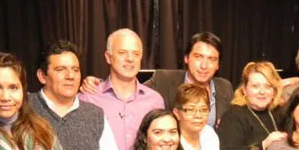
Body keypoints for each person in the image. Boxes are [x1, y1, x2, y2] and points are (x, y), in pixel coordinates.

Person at [81, 31, 233, 128]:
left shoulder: (225, 88)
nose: (204, 65)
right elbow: (130, 87)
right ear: (186, 58)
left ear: (218, 65)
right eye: (198, 57)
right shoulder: (164, 80)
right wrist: (99, 83)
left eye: (212, 59)